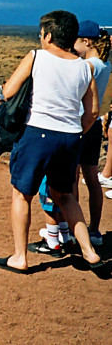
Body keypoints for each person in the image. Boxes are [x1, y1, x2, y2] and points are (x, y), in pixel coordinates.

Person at [0, 10, 101, 274]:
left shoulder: (36, 57)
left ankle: (20, 256)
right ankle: (89, 251)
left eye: (42, 33)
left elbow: (9, 91)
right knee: (65, 195)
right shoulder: (85, 68)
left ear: (49, 35)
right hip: (70, 137)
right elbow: (93, 112)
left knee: (22, 193)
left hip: (37, 134)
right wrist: (78, 132)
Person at [72, 20, 110, 246]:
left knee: (73, 178)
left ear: (86, 41)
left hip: (79, 122)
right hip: (95, 123)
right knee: (92, 178)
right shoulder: (106, 64)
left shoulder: (87, 66)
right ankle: (94, 230)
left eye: (77, 41)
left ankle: (73, 229)